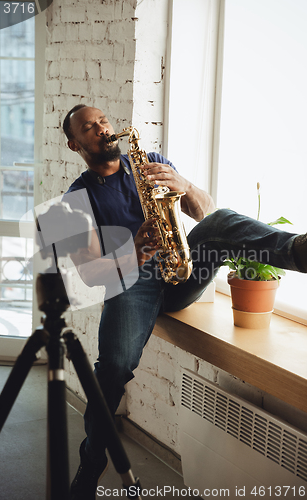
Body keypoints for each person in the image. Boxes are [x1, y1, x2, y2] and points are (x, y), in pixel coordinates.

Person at [62, 104, 307, 500]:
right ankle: (90, 463)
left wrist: (183, 185)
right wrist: (137, 250)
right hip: (130, 280)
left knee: (223, 220)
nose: (102, 129)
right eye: (89, 128)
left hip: (181, 267)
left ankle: (297, 251)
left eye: (102, 120)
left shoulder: (152, 161)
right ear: (76, 144)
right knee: (113, 370)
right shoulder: (73, 199)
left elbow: (205, 213)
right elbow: (90, 274)